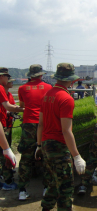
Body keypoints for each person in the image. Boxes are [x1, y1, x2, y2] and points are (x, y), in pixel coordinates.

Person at [36, 63, 86, 211]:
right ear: (71, 80)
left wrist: (39, 146)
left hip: (46, 145)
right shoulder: (66, 98)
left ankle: (46, 208)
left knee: (53, 181)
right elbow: (66, 131)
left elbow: (40, 124)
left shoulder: (46, 96)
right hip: (58, 147)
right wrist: (76, 156)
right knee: (65, 187)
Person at [16, 64, 52, 199]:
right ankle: (47, 188)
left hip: (29, 125)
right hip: (44, 124)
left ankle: (22, 190)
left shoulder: (22, 88)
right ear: (41, 75)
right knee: (46, 156)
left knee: (26, 157)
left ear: (30, 75)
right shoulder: (48, 88)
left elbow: (22, 106)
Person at [0, 68, 24, 190]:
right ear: (2, 76)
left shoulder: (7, 93)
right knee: (4, 153)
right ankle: (8, 182)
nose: (9, 80)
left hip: (5, 123)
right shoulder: (0, 88)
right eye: (7, 77)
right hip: (2, 126)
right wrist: (25, 110)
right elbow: (8, 106)